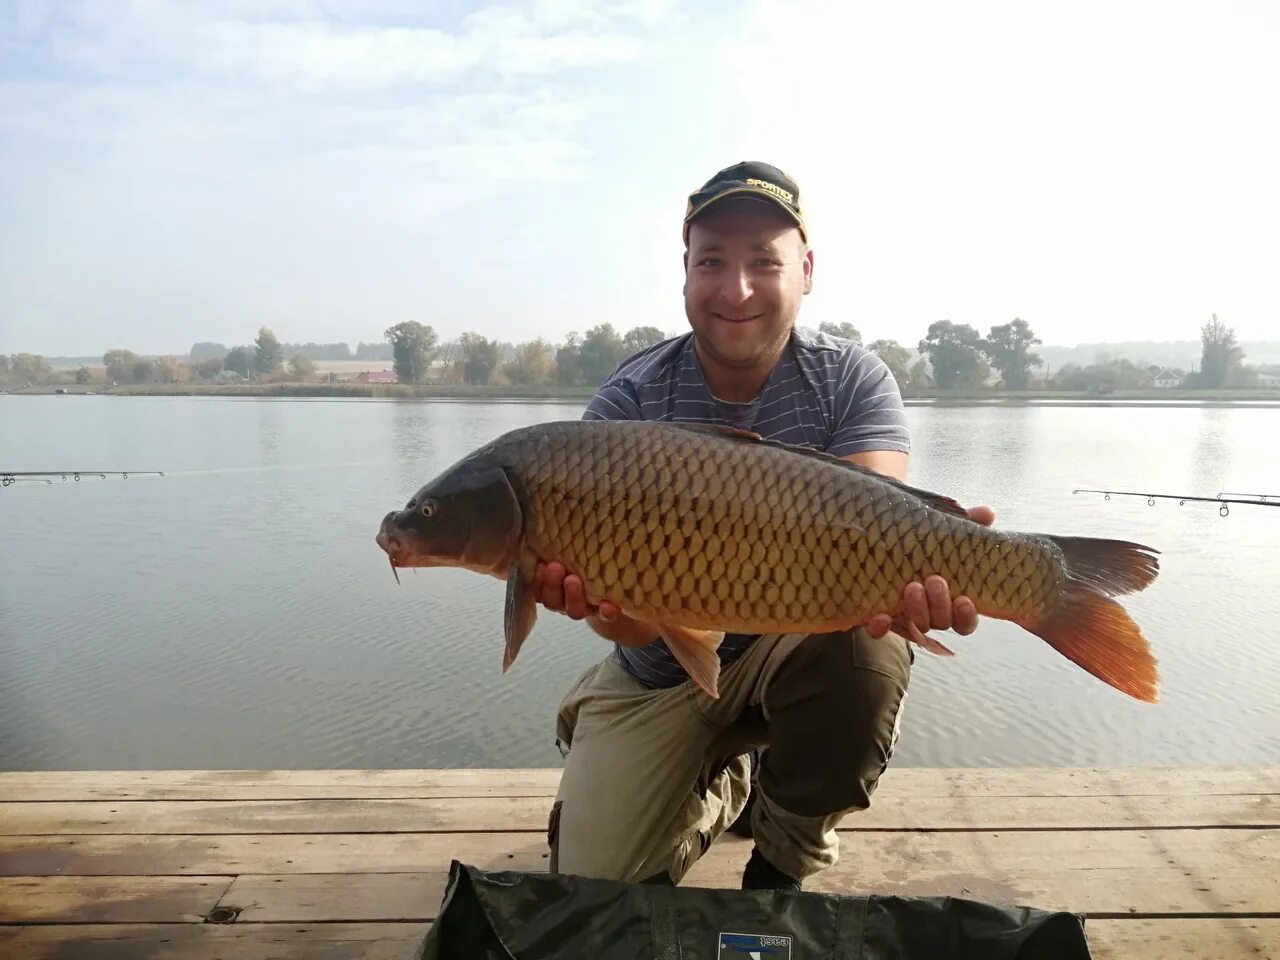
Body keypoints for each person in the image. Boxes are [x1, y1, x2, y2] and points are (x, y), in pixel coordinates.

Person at [535, 161, 994, 891]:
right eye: (712, 260)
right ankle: (721, 786)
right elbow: (634, 633)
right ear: (685, 273)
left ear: (806, 272)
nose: (736, 288)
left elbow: (876, 528)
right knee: (593, 890)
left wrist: (948, 563)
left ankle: (783, 855)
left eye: (764, 262)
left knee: (864, 649)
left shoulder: (851, 378)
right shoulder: (625, 406)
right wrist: (605, 608)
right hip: (662, 675)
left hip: (799, 649)